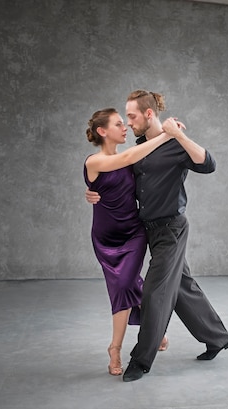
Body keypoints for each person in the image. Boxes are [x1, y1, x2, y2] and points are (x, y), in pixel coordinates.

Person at [86, 90, 228, 383]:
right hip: (146, 230)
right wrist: (94, 193)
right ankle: (217, 338)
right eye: (124, 118)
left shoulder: (176, 143)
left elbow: (208, 163)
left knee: (155, 292)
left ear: (148, 114)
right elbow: (114, 175)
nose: (128, 123)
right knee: (181, 288)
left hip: (171, 228)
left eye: (131, 116)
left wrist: (177, 135)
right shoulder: (140, 146)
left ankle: (140, 360)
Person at [84, 108, 171, 376]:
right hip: (106, 238)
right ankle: (153, 332)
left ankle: (115, 348)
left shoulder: (127, 160)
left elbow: (139, 172)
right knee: (132, 285)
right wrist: (168, 135)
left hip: (134, 233)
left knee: (124, 285)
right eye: (119, 124)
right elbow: (130, 156)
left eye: (125, 123)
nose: (125, 127)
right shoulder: (94, 161)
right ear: (102, 131)